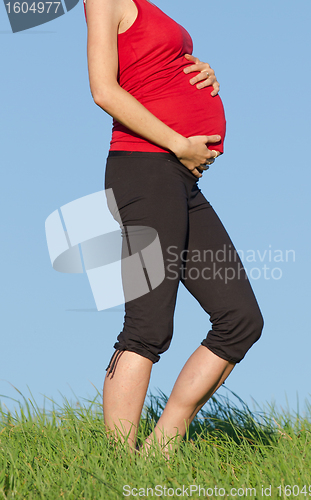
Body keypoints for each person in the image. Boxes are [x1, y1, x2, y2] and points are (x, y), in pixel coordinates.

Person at [84, 0, 264, 453]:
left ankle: (161, 448)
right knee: (147, 325)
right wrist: (179, 142)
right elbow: (104, 90)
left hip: (180, 178)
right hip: (144, 169)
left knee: (240, 319)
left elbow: (151, 67)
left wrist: (201, 71)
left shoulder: (147, 6)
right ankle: (117, 465)